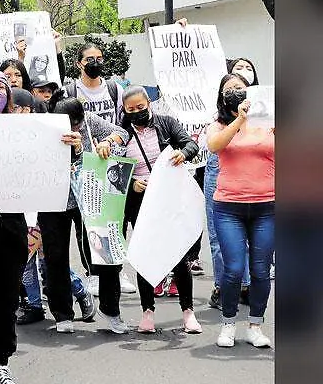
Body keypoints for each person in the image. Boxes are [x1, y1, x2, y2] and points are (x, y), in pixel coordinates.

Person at [0, 69, 83, 384]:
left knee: (6, 300)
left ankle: (0, 364)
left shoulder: (28, 131)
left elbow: (51, 172)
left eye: (0, 86)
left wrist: (72, 148)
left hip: (11, 227)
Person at [33, 98, 130, 334]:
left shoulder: (90, 123)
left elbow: (122, 135)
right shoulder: (44, 128)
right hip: (54, 199)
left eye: (76, 124)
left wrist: (103, 143)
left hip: (91, 197)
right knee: (55, 257)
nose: (72, 129)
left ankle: (111, 309)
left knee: (103, 252)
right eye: (68, 125)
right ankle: (62, 313)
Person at [117, 86, 201, 335]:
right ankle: (147, 312)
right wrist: (132, 181)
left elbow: (190, 144)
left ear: (149, 104)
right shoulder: (122, 132)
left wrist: (181, 153)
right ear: (124, 110)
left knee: (178, 255)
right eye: (130, 109)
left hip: (168, 197)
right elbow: (115, 165)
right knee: (145, 253)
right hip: (139, 201)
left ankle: (188, 312)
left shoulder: (166, 124)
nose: (136, 112)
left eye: (141, 107)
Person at [206, 74, 274, 349]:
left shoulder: (269, 124)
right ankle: (229, 323)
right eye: (229, 89)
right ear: (222, 97)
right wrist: (241, 119)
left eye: (240, 88)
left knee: (260, 270)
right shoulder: (218, 124)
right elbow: (215, 145)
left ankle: (255, 325)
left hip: (267, 206)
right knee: (233, 269)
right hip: (228, 208)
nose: (235, 92)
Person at [64, 43, 122, 126]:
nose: (95, 63)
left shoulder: (115, 89)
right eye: (89, 59)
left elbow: (124, 122)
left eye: (99, 59)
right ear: (79, 64)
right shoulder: (69, 92)